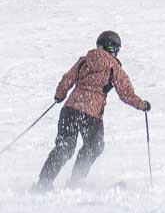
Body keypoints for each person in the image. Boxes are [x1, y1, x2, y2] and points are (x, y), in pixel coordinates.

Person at [36, 30, 150, 190]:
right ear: (114, 49)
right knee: (94, 146)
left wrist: (59, 95)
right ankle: (76, 181)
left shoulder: (84, 61)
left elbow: (67, 79)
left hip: (70, 110)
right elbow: (126, 93)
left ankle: (44, 182)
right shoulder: (113, 67)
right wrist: (142, 105)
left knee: (65, 146)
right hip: (92, 114)